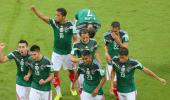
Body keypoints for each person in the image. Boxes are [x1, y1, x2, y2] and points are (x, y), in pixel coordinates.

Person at [31, 5, 78, 99]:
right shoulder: (55, 23)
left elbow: (75, 39)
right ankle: (58, 93)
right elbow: (43, 17)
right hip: (56, 54)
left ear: (63, 16)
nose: (56, 17)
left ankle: (72, 88)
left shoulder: (71, 25)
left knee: (71, 71)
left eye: (58, 15)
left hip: (68, 54)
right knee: (54, 73)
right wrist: (35, 10)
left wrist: (75, 54)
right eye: (55, 15)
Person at [71, 29, 102, 94]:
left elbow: (96, 53)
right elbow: (72, 58)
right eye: (83, 38)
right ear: (80, 37)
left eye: (87, 37)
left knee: (94, 85)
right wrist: (82, 59)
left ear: (89, 36)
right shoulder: (76, 44)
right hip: (82, 68)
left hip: (93, 67)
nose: (85, 39)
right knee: (81, 88)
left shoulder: (94, 42)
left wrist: (99, 63)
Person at [104, 21, 129, 100]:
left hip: (121, 61)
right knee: (114, 82)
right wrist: (106, 53)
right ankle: (117, 95)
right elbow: (106, 46)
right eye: (112, 31)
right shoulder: (106, 35)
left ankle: (120, 93)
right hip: (111, 61)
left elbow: (125, 48)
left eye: (115, 31)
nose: (113, 33)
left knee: (121, 80)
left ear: (119, 29)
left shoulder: (124, 35)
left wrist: (117, 39)